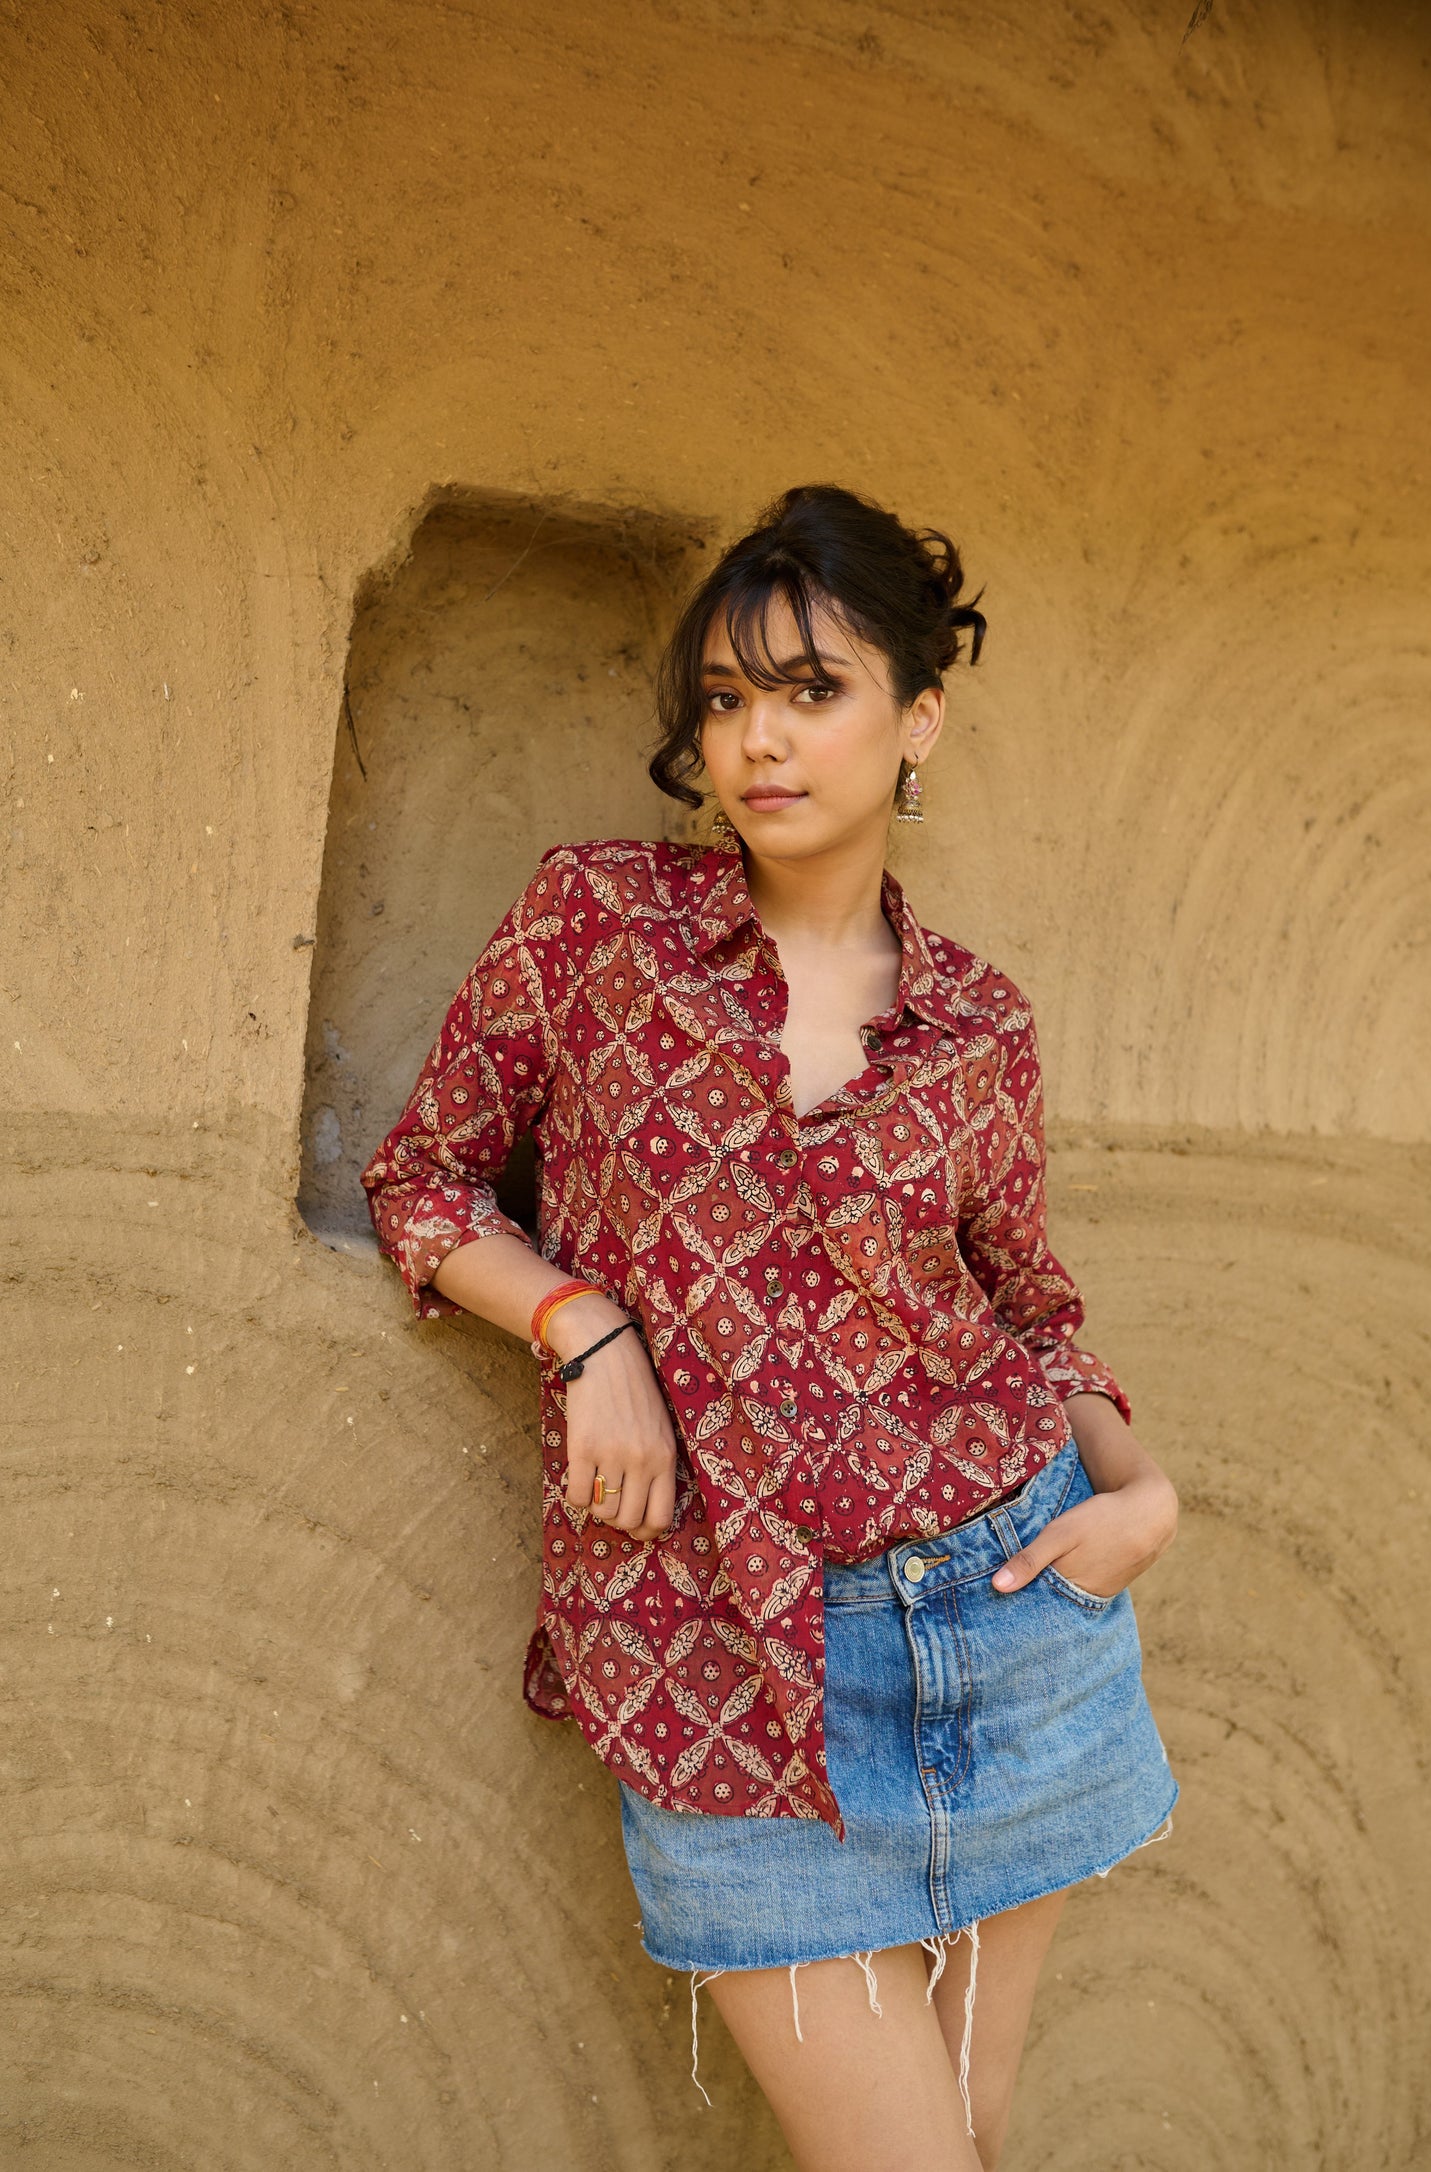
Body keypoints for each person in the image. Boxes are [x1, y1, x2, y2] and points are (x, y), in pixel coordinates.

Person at [360, 482, 1181, 2172]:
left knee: (972, 2139)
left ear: (915, 716)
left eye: (811, 690)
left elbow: (1028, 1305)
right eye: (726, 701)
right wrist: (584, 1327)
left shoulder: (976, 1024)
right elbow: (425, 1182)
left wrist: (1140, 1497)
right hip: (715, 1656)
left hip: (1009, 1618)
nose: (758, 740)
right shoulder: (596, 926)